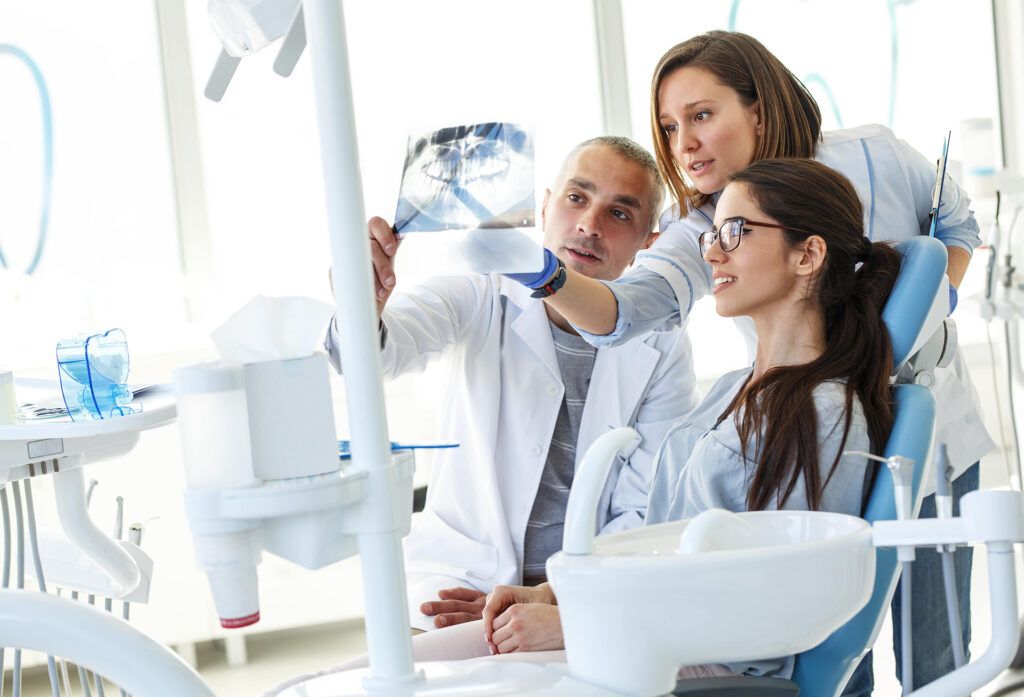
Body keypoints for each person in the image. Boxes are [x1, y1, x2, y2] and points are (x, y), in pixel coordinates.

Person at [488, 31, 988, 694]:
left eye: (701, 115)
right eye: (669, 126)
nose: (683, 143)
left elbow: (958, 224)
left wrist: (918, 314)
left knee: (934, 657)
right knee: (844, 662)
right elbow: (628, 308)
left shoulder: (874, 155)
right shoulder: (705, 227)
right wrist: (539, 272)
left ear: (757, 110)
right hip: (797, 432)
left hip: (898, 435)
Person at [329, 158, 901, 680]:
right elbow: (670, 534)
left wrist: (576, 615)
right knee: (339, 679)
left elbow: (769, 610)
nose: (711, 254)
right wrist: (557, 597)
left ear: (808, 254)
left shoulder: (821, 414)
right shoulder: (739, 388)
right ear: (549, 204)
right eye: (576, 199)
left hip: (658, 649)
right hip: (568, 606)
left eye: (735, 232)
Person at [330, 136, 698, 632]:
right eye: (576, 198)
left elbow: (645, 506)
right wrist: (362, 302)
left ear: (646, 246)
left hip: (580, 595)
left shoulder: (663, 343)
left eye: (619, 214)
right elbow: (378, 354)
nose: (589, 225)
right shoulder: (482, 287)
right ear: (544, 207)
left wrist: (556, 593)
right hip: (459, 585)